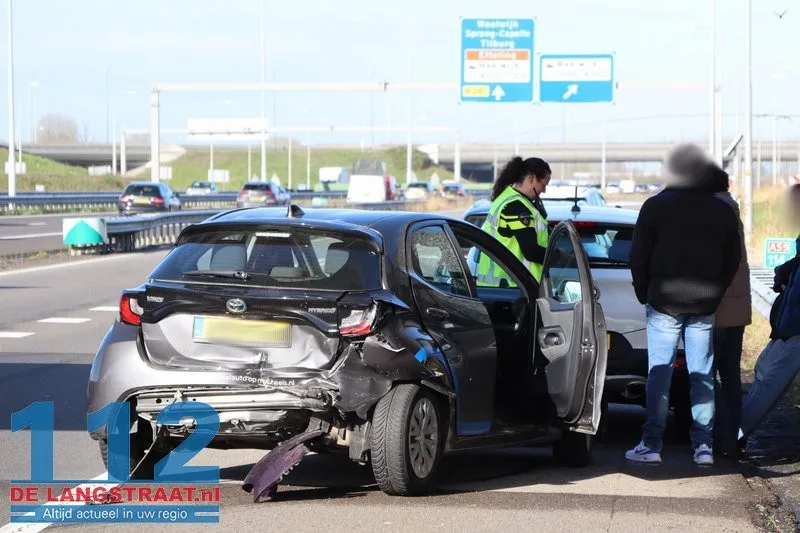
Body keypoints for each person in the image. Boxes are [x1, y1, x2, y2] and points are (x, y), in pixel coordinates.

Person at [626, 143, 742, 466]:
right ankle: (703, 447)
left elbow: (638, 256)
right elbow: (733, 258)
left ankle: (652, 445)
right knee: (701, 374)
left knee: (659, 373)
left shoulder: (654, 206)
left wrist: (643, 292)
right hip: (704, 302)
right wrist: (717, 291)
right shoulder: (721, 210)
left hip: (663, 301)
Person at [737, 184, 800, 447]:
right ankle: (734, 435)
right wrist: (785, 270)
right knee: (764, 372)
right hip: (788, 323)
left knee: (768, 382)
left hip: (794, 325)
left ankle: (734, 437)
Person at [703, 163, 752, 457]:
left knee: (707, 373)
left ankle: (724, 434)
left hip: (718, 307)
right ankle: (733, 437)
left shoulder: (715, 212)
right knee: (731, 375)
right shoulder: (731, 209)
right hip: (737, 306)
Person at [477, 156, 552, 287]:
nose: (544, 191)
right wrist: (558, 256)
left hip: (501, 287)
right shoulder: (517, 207)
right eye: (543, 185)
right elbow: (531, 252)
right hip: (510, 287)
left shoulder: (507, 197)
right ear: (531, 178)